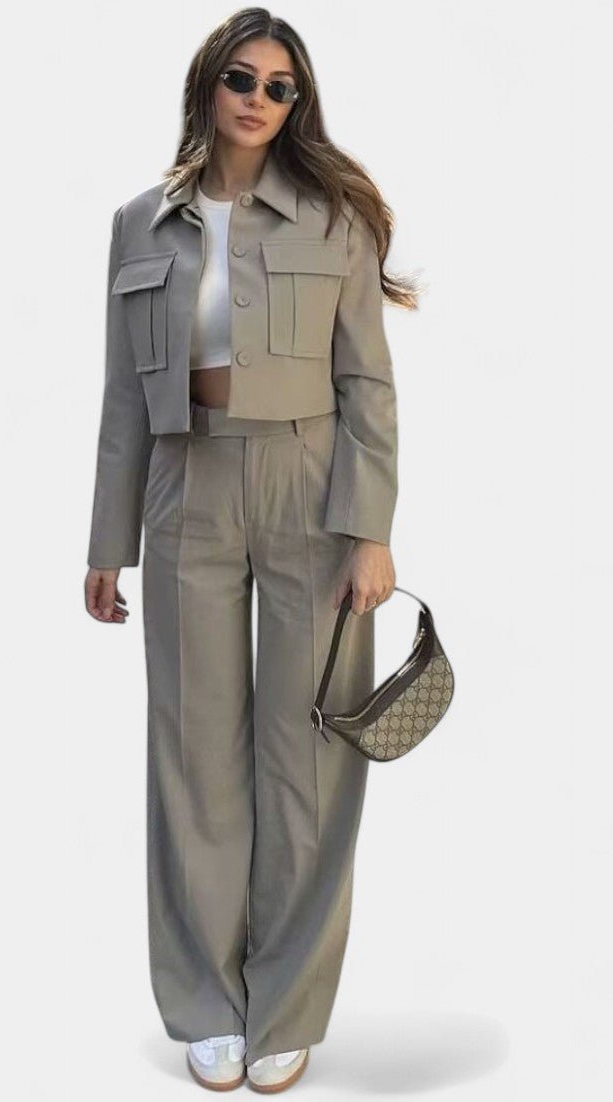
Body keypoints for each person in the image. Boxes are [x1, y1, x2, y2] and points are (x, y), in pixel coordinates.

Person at [83, 8, 418, 1094]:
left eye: (281, 87)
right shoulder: (140, 222)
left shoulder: (334, 219)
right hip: (185, 485)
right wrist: (107, 539)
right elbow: (122, 398)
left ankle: (287, 1001)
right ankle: (202, 1000)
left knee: (307, 752)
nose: (259, 100)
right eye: (242, 78)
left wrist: (370, 530)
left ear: (296, 104)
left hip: (310, 489)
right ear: (208, 84)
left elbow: (368, 385)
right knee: (192, 750)